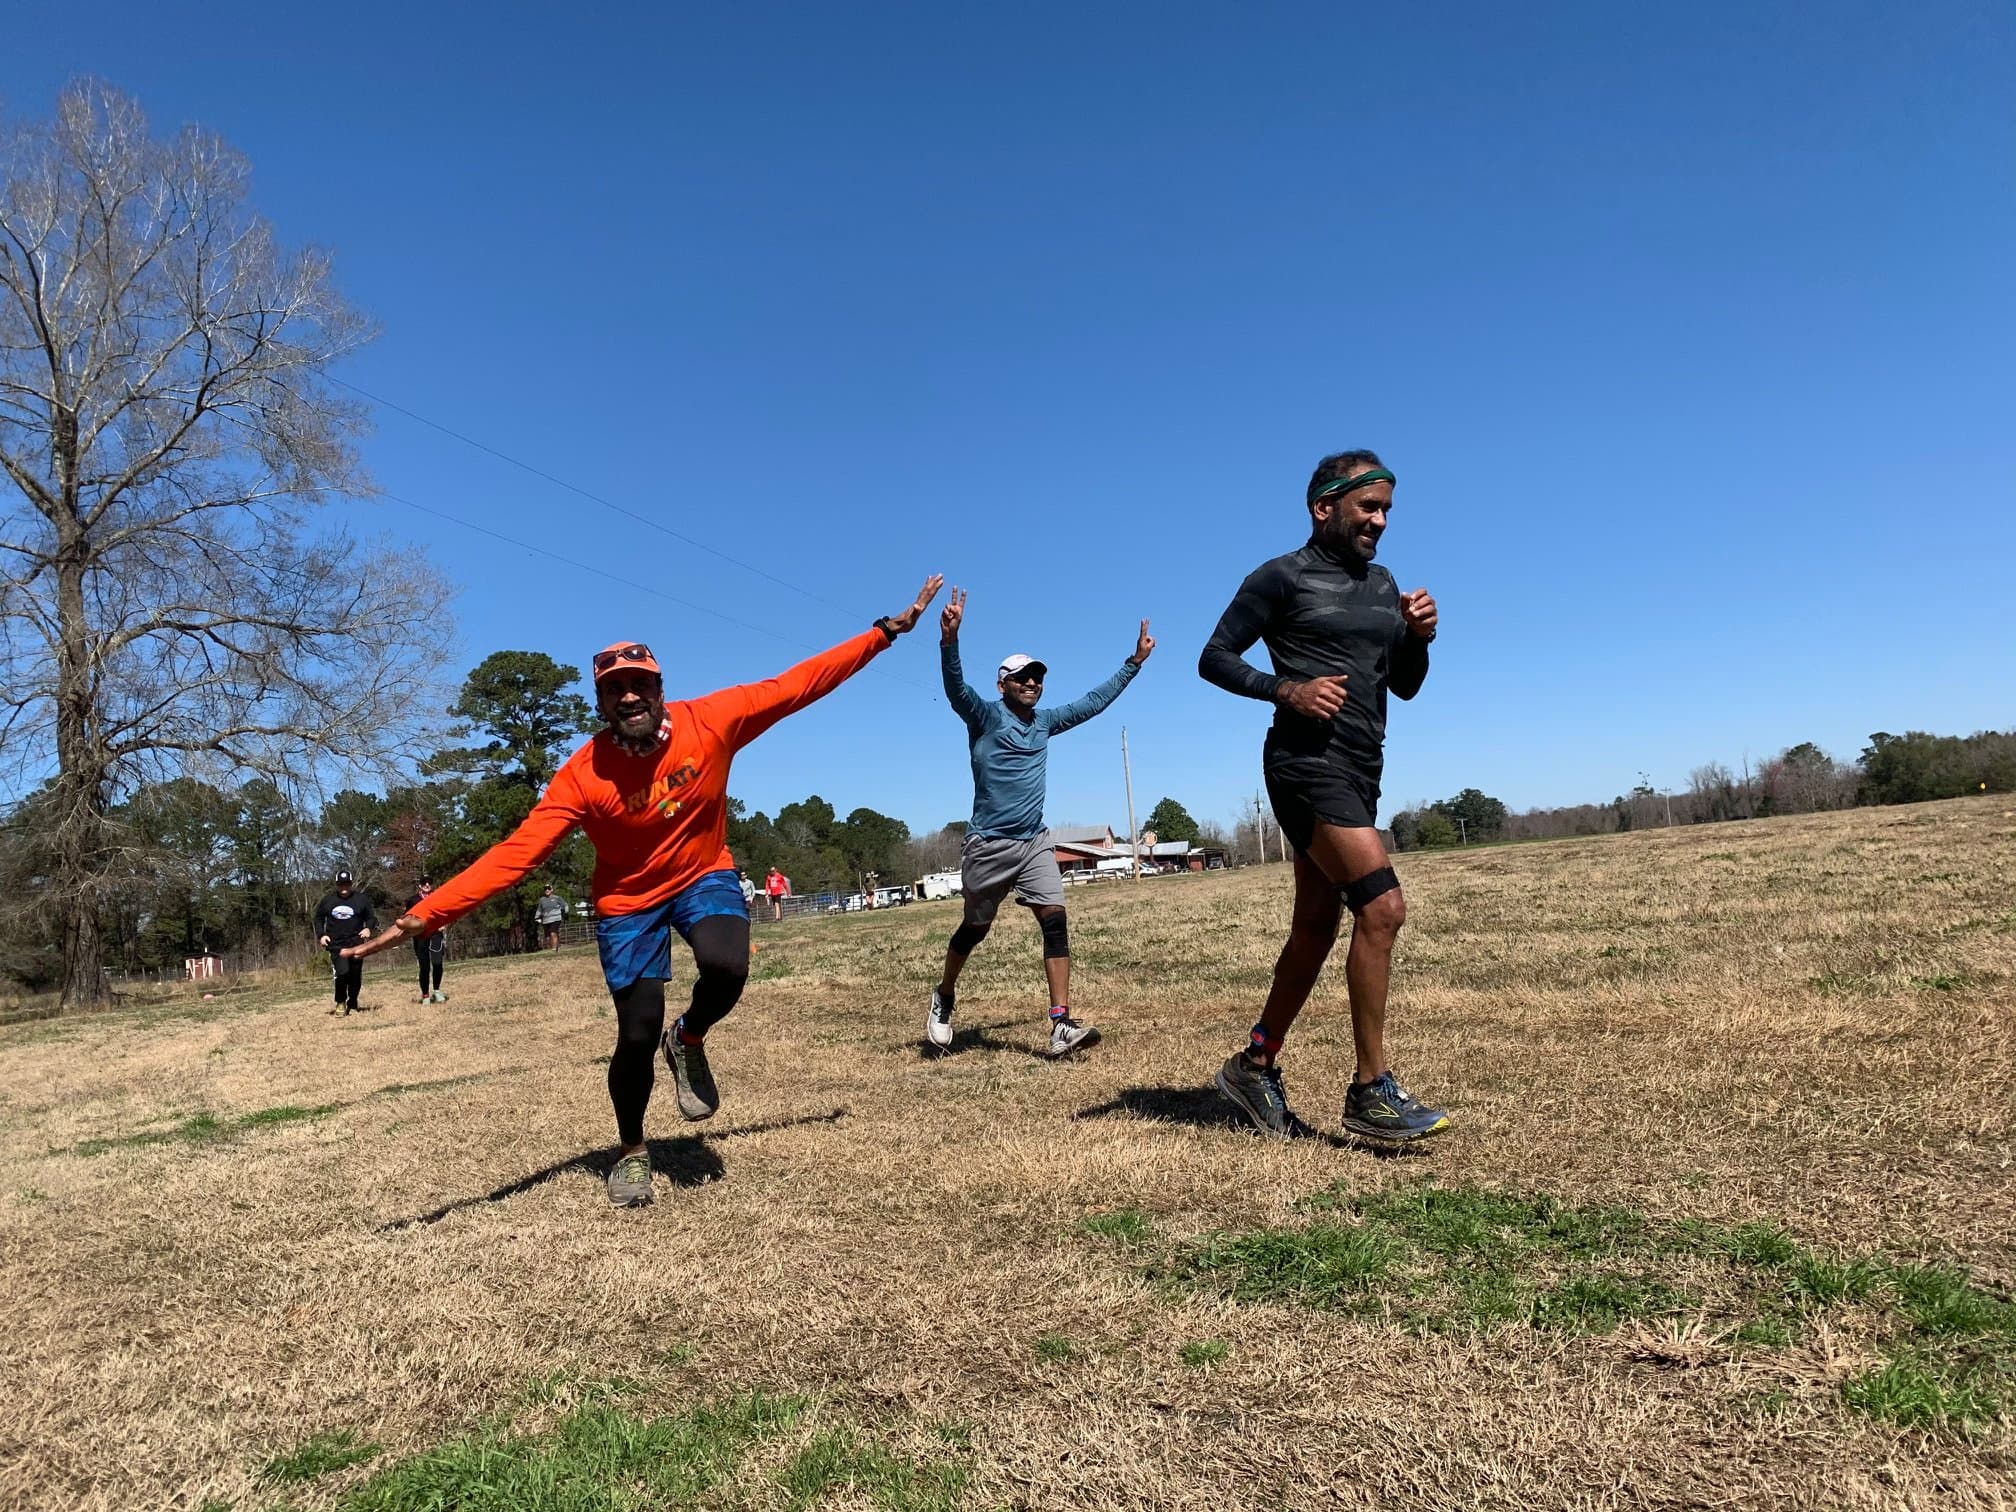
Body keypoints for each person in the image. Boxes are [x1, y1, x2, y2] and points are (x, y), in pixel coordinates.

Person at [345, 575, 944, 1207]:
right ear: (602, 703)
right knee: (634, 1034)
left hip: (702, 872)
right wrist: (425, 916)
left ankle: (688, 1039)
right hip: (628, 901)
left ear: (660, 688)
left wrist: (882, 633)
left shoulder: (713, 719)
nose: (629, 696)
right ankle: (632, 1151)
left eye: (640, 684)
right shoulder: (582, 775)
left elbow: (797, 685)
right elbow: (516, 856)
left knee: (726, 965)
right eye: (614, 689)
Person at [1198, 449, 1448, 1143]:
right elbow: (1213, 656)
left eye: (1387, 510)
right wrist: (1287, 689)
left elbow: (1405, 683)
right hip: (1304, 764)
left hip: (1362, 766)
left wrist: (1419, 637)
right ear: (1324, 507)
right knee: (1382, 907)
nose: (1380, 521)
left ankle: (1254, 1064)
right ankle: (1371, 1089)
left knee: (1316, 927)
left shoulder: (1383, 583)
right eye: (1368, 507)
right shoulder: (1280, 577)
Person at [926, 587, 1153, 1057]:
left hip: (1034, 842)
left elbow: (1091, 703)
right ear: (1002, 684)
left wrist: (1133, 664)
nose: (1032, 683)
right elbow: (955, 690)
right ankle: (944, 994)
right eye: (1022, 678)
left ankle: (1059, 1024)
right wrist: (949, 641)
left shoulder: (1045, 722)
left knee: (1055, 920)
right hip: (989, 845)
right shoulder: (985, 717)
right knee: (975, 928)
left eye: (1037, 678)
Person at [314, 869, 377, 1016]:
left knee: (355, 975)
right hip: (336, 944)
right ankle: (340, 1001)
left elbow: (371, 918)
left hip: (356, 943)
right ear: (337, 884)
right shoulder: (328, 900)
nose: (344, 887)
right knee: (342, 973)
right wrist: (322, 935)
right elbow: (318, 918)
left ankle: (353, 1002)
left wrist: (368, 928)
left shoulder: (361, 899)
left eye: (347, 884)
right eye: (341, 884)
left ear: (351, 884)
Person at [403, 877, 447, 1002]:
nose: (427, 885)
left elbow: (445, 912)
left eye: (429, 882)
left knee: (437, 963)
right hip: (420, 936)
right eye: (424, 883)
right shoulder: (412, 900)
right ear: (419, 885)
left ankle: (437, 991)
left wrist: (443, 924)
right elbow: (407, 917)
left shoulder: (438, 897)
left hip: (435, 934)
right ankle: (426, 995)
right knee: (424, 967)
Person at [534, 884, 568, 950]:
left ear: (552, 890)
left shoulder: (557, 898)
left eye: (548, 888)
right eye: (545, 889)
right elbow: (539, 909)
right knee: (548, 936)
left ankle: (554, 948)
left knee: (553, 933)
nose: (547, 890)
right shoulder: (542, 900)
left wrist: (565, 913)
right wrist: (537, 917)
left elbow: (565, 905)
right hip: (546, 920)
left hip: (556, 918)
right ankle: (557, 946)